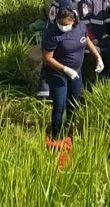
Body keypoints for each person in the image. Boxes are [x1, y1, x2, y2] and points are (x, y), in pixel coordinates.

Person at [42, 7, 103, 142]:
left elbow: (86, 41)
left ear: (73, 21)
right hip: (58, 73)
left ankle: (70, 129)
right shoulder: (53, 34)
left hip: (76, 72)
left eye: (66, 25)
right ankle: (56, 134)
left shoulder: (80, 28)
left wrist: (98, 57)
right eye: (60, 24)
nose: (63, 27)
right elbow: (48, 58)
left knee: (74, 102)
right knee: (60, 104)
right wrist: (65, 69)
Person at [37, 0, 87, 99]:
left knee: (47, 64)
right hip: (59, 38)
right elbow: (76, 25)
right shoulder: (69, 5)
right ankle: (54, 92)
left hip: (50, 33)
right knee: (54, 64)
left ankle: (44, 90)